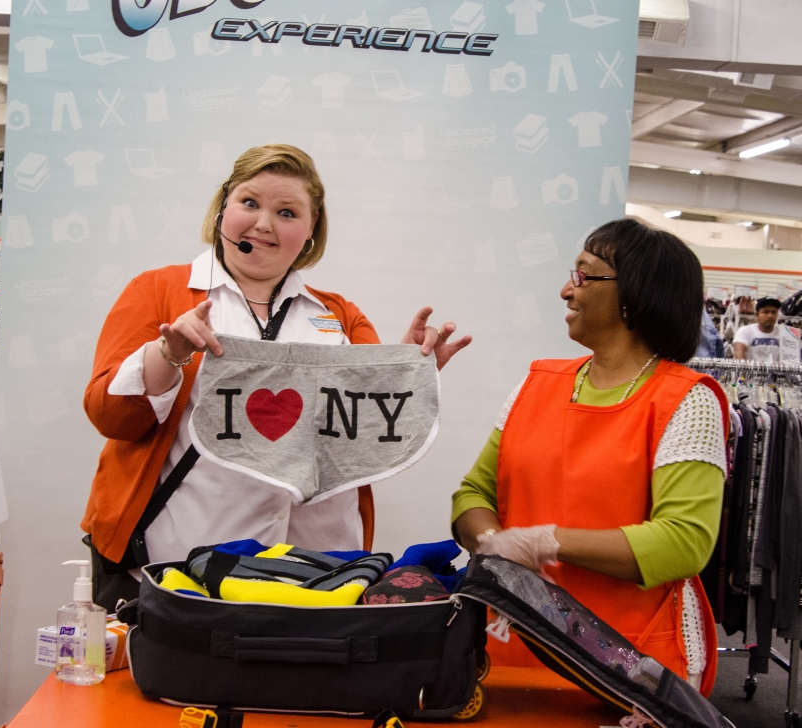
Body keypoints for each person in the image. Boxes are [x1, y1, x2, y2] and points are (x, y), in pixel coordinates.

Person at [83, 144, 472, 610]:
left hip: (319, 575)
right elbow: (112, 418)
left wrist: (404, 376)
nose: (264, 224)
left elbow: (365, 442)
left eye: (287, 212)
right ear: (223, 207)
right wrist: (169, 354)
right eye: (249, 203)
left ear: (310, 230)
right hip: (180, 569)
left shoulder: (340, 315)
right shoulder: (158, 291)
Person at [451, 218, 728, 694]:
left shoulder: (687, 401)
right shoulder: (536, 383)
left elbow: (684, 542)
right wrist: (495, 543)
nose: (566, 290)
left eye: (583, 274)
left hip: (628, 667)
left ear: (635, 292)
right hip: (514, 645)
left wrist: (546, 542)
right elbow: (473, 493)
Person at [733, 296, 800, 362]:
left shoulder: (787, 333)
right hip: (751, 369)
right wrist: (744, 367)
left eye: (774, 312)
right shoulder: (745, 331)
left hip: (777, 369)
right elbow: (738, 351)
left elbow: (792, 359)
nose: (770, 316)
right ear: (757, 315)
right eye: (766, 312)